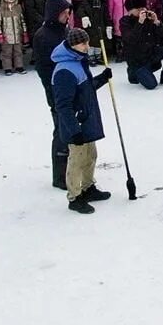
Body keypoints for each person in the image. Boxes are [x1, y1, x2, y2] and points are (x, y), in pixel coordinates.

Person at [51, 27, 113, 214]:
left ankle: (88, 187)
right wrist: (74, 130)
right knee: (77, 160)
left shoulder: (78, 62)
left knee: (90, 156)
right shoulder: (64, 70)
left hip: (86, 119)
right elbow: (63, 105)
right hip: (76, 124)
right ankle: (75, 197)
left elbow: (86, 89)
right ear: (72, 45)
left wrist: (102, 79)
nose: (87, 46)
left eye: (87, 42)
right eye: (83, 43)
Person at [34, 0, 73, 190]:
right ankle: (59, 176)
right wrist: (55, 87)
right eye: (64, 13)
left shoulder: (65, 31)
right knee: (61, 130)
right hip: (56, 90)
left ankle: (73, 170)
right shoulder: (43, 36)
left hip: (71, 87)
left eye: (68, 12)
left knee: (71, 128)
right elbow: (43, 68)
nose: (67, 16)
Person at [118, 0, 163, 89]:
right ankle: (134, 73)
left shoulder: (148, 19)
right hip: (137, 60)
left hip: (150, 54)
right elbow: (130, 39)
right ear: (130, 11)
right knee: (152, 85)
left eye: (143, 8)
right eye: (138, 9)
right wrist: (140, 23)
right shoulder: (125, 22)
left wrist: (157, 22)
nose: (142, 11)